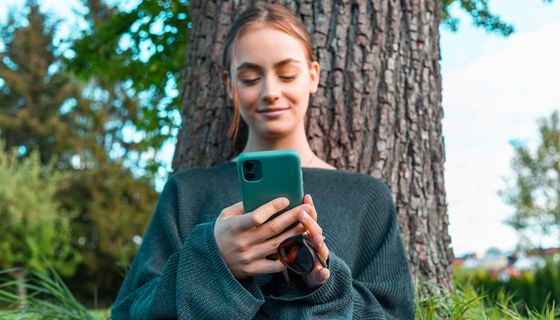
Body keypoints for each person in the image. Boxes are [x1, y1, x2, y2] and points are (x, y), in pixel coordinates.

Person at [112, 3, 414, 319]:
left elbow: (395, 313)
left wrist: (324, 287)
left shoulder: (366, 197)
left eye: (286, 74)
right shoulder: (186, 192)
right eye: (250, 78)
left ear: (312, 77)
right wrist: (214, 263)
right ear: (230, 85)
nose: (270, 91)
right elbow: (129, 312)